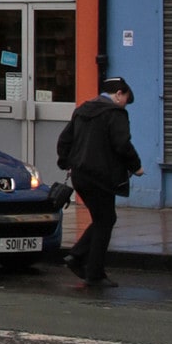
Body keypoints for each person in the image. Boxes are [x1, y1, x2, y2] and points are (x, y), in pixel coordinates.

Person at [57, 76, 142, 288]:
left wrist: (66, 162)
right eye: (125, 98)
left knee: (103, 219)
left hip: (80, 175)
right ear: (119, 93)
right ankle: (93, 272)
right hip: (102, 177)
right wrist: (136, 166)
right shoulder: (115, 113)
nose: (125, 104)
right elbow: (122, 144)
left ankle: (79, 257)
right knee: (105, 220)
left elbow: (64, 139)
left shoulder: (83, 110)